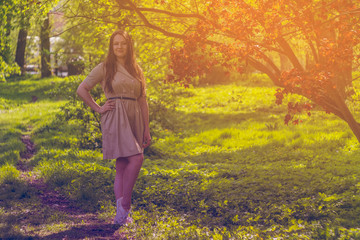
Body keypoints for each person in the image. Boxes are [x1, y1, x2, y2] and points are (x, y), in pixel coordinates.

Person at [76, 29, 151, 225]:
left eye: (123, 43)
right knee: (137, 158)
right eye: (116, 43)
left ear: (129, 46)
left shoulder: (137, 69)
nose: (119, 47)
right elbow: (82, 89)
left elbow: (143, 100)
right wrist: (99, 108)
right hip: (115, 116)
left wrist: (146, 128)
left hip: (134, 116)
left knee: (123, 164)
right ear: (112, 46)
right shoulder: (105, 67)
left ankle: (120, 214)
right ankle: (126, 205)